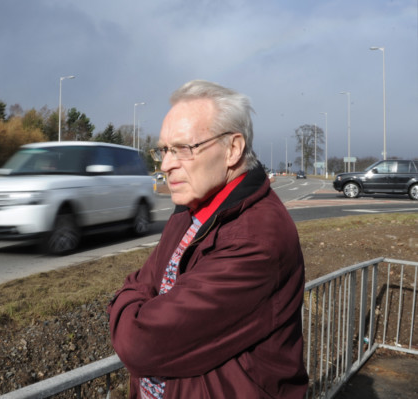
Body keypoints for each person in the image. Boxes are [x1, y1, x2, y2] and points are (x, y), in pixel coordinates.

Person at [108, 80, 308, 398]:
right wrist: (137, 304)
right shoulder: (190, 210)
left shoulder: (256, 239)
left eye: (184, 149)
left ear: (232, 149)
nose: (165, 165)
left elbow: (141, 343)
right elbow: (143, 282)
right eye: (164, 149)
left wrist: (129, 306)